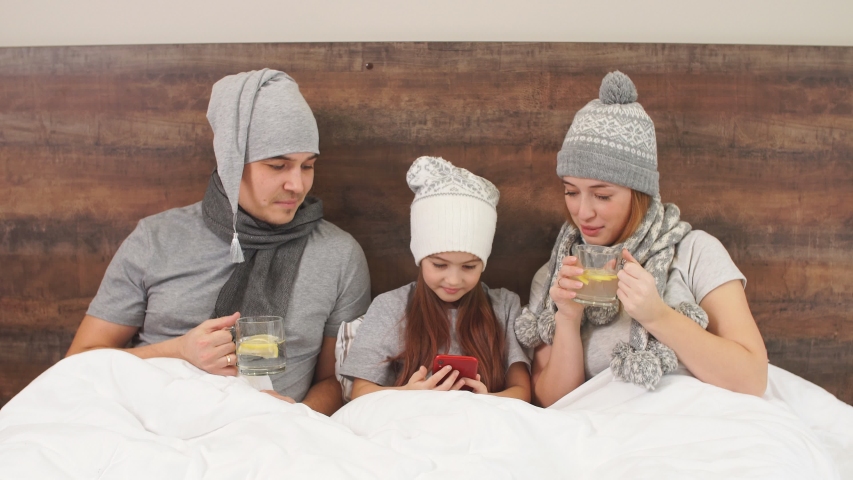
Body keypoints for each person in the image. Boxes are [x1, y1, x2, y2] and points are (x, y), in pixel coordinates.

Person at [66, 69, 371, 415]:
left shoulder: (339, 255)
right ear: (231, 164)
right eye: (277, 166)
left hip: (274, 437)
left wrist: (291, 418)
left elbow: (337, 381)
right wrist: (179, 350)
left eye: (307, 166)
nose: (297, 186)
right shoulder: (156, 239)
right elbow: (80, 361)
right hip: (151, 423)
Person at [515, 71, 768, 408]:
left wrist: (657, 316)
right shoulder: (556, 276)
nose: (583, 212)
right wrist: (567, 319)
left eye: (602, 196)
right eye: (571, 192)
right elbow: (551, 403)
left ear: (640, 193)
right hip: (605, 435)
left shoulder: (694, 252)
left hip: (697, 428)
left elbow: (751, 378)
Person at [338, 156, 531, 402]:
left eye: (469, 266)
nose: (453, 280)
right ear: (420, 257)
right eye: (439, 265)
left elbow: (522, 392)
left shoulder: (504, 306)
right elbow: (360, 394)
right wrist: (408, 394)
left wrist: (488, 401)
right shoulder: (389, 306)